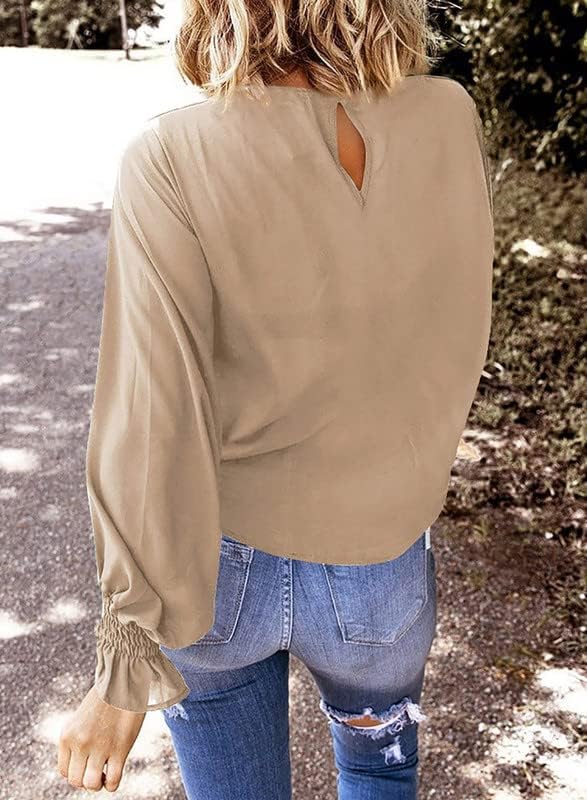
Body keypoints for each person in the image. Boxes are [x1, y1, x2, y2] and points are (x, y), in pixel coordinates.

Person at [57, 0, 494, 797]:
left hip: (216, 572)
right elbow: (453, 320)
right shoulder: (447, 116)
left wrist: (127, 651)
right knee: (378, 772)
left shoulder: (172, 154)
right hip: (381, 570)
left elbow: (152, 415)